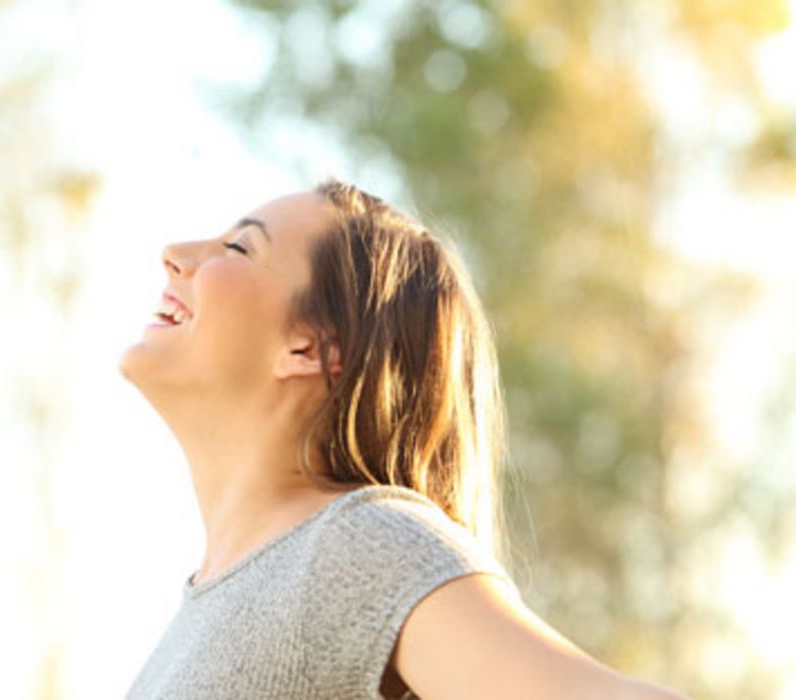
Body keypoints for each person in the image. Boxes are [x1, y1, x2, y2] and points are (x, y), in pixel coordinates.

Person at [116, 178, 688, 699]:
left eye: (240, 248)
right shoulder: (208, 607)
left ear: (313, 347)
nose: (176, 256)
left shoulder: (357, 545)